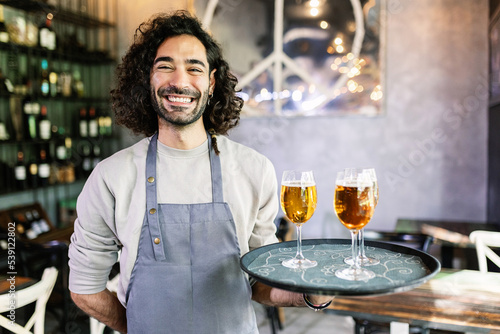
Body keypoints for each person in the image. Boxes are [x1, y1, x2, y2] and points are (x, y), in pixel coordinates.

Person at [68, 10, 333, 333]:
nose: (179, 81)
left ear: (211, 81)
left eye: (194, 68)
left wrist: (306, 293)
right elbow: (84, 287)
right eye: (164, 66)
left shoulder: (254, 169)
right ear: (147, 78)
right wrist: (136, 326)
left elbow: (260, 282)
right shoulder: (111, 177)